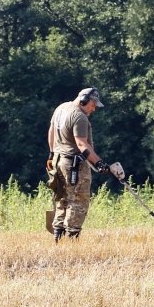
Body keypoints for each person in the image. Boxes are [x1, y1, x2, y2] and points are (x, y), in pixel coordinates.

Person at [46, 87, 112, 241]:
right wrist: (99, 163)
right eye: (93, 105)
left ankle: (58, 237)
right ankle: (72, 238)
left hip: (58, 161)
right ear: (84, 100)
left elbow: (51, 132)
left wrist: (51, 154)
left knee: (62, 198)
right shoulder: (79, 117)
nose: (94, 109)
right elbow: (82, 144)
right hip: (73, 165)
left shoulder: (61, 108)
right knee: (78, 200)